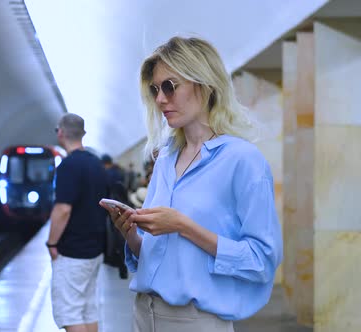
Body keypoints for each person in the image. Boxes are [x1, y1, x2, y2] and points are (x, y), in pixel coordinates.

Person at [100, 36, 283, 332]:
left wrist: (183, 225)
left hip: (194, 320)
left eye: (170, 87)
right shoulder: (166, 159)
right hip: (143, 312)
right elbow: (161, 251)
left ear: (205, 84)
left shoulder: (242, 160)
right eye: (155, 90)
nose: (161, 99)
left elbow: (261, 260)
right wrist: (132, 235)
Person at [47, 113, 108, 332]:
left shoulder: (68, 166)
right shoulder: (96, 164)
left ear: (61, 132)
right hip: (94, 249)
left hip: (73, 251)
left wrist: (52, 243)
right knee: (88, 308)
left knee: (70, 311)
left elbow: (63, 209)